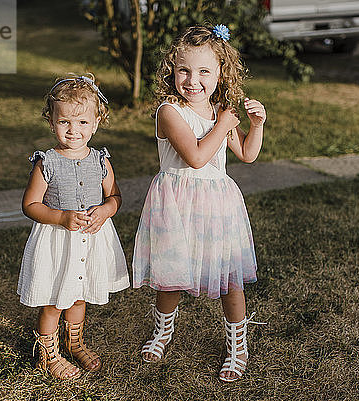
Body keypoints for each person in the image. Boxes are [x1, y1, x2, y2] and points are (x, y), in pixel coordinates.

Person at [132, 24, 267, 382]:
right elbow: (194, 157)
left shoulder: (221, 110)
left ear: (222, 73)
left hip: (216, 206)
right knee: (171, 277)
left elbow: (248, 154)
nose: (193, 80)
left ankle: (238, 347)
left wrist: (255, 125)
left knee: (229, 281)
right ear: (172, 69)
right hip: (176, 204)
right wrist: (223, 125)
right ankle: (162, 332)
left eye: (204, 71)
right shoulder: (169, 111)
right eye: (184, 70)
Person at [18, 75, 129, 379]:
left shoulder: (101, 160)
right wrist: (61, 217)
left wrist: (106, 210)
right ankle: (48, 354)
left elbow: (115, 196)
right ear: (51, 121)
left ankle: (75, 342)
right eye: (64, 121)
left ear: (95, 123)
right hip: (59, 240)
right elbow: (30, 205)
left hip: (91, 239)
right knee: (57, 299)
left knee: (79, 295)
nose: (73, 130)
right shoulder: (47, 162)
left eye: (82, 122)